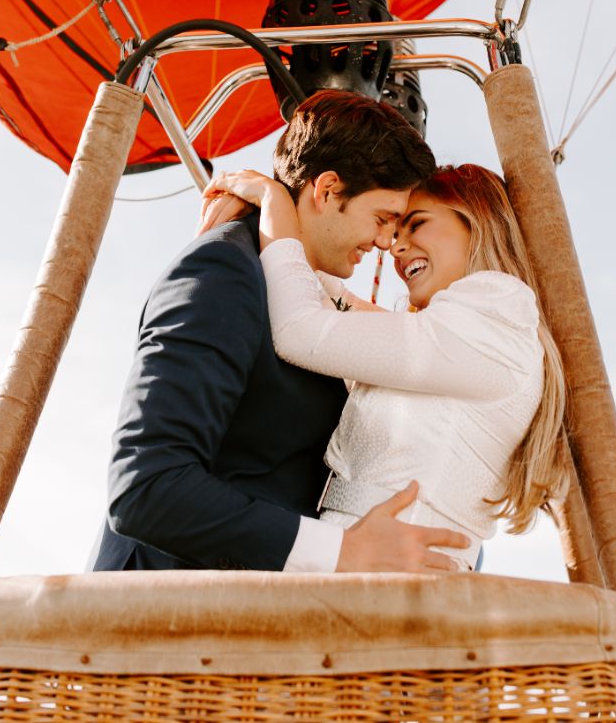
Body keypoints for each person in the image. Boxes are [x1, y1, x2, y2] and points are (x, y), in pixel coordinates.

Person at [89, 89, 472, 574]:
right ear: (328, 189)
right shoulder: (223, 270)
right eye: (381, 219)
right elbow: (146, 488)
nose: (383, 243)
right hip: (159, 625)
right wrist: (343, 551)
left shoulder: (305, 292)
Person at [206, 162, 567, 571]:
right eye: (396, 232)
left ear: (477, 220)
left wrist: (276, 206)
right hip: (372, 575)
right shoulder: (455, 336)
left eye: (416, 225)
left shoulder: (496, 310)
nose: (395, 247)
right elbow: (353, 322)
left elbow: (301, 331)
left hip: (401, 585)